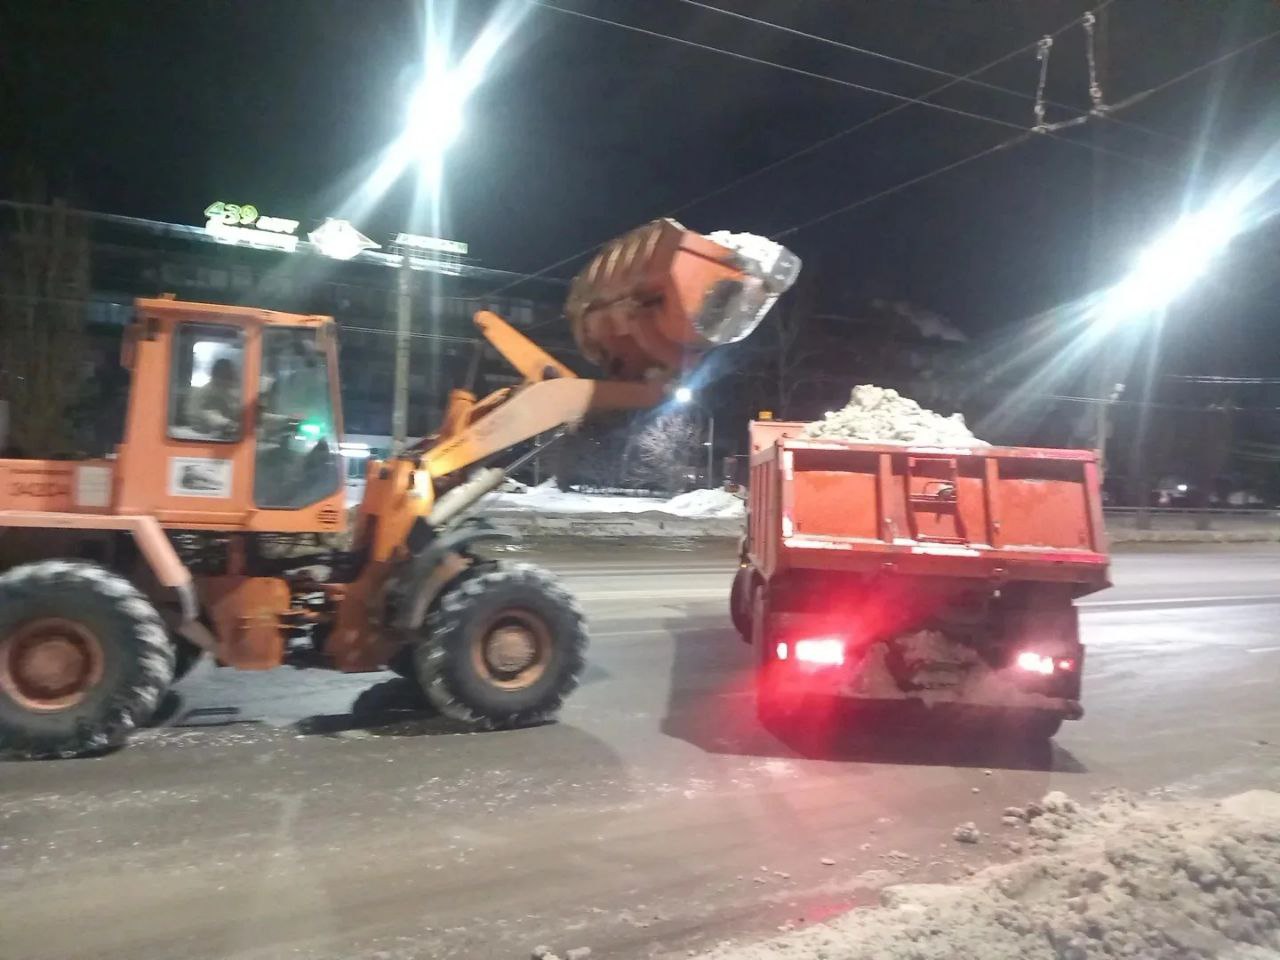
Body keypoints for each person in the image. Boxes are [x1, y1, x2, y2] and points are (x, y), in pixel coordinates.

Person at [186, 357, 240, 438]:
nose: (231, 381)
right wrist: (229, 423)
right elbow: (209, 415)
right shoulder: (205, 393)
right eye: (228, 376)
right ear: (217, 376)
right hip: (201, 435)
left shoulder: (227, 393)